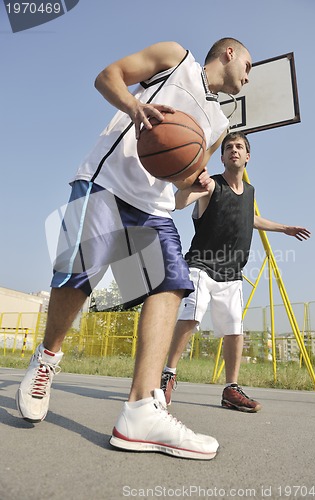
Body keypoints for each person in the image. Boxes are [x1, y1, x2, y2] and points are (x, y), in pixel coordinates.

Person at [16, 39, 252, 460]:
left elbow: (181, 180)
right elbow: (107, 77)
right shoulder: (176, 59)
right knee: (76, 277)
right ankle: (47, 358)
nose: (249, 77)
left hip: (154, 209)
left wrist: (193, 184)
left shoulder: (216, 121)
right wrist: (134, 108)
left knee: (172, 284)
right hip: (106, 181)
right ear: (229, 53)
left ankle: (141, 409)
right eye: (248, 65)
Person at [161, 131, 311, 411]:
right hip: (201, 265)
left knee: (234, 330)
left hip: (231, 272)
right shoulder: (211, 185)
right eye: (229, 146)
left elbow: (250, 218)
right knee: (192, 315)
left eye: (239, 147)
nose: (234, 150)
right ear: (222, 156)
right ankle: (167, 374)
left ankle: (231, 389)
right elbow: (178, 203)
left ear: (248, 157)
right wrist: (191, 183)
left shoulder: (250, 192)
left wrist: (285, 228)